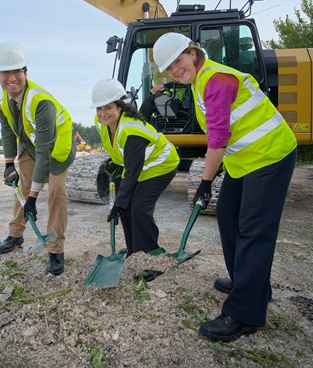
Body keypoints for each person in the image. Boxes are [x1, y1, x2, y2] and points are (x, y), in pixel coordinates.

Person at [153, 33, 298, 342]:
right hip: (245, 160)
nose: (175, 70)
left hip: (270, 154)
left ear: (193, 53)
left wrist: (205, 182)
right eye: (169, 67)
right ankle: (248, 283)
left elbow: (217, 136)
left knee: (253, 230)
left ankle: (244, 314)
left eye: (178, 61)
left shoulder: (216, 80)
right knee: (228, 216)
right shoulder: (198, 81)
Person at [0, 41, 76, 276]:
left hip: (56, 150)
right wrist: (9, 164)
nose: (11, 78)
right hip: (29, 143)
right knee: (22, 185)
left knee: (56, 193)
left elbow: (45, 153)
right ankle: (16, 234)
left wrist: (33, 198)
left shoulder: (41, 102)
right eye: (5, 73)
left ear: (25, 72)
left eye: (17, 71)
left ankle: (55, 250)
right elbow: (7, 129)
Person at [90, 78, 180, 282]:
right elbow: (121, 154)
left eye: (108, 107)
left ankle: (151, 257)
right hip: (141, 167)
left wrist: (117, 204)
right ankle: (134, 252)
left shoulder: (131, 130)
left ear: (119, 107)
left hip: (162, 165)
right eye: (99, 109)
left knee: (139, 206)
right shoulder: (105, 125)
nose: (103, 113)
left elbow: (132, 173)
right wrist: (115, 163)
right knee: (127, 206)